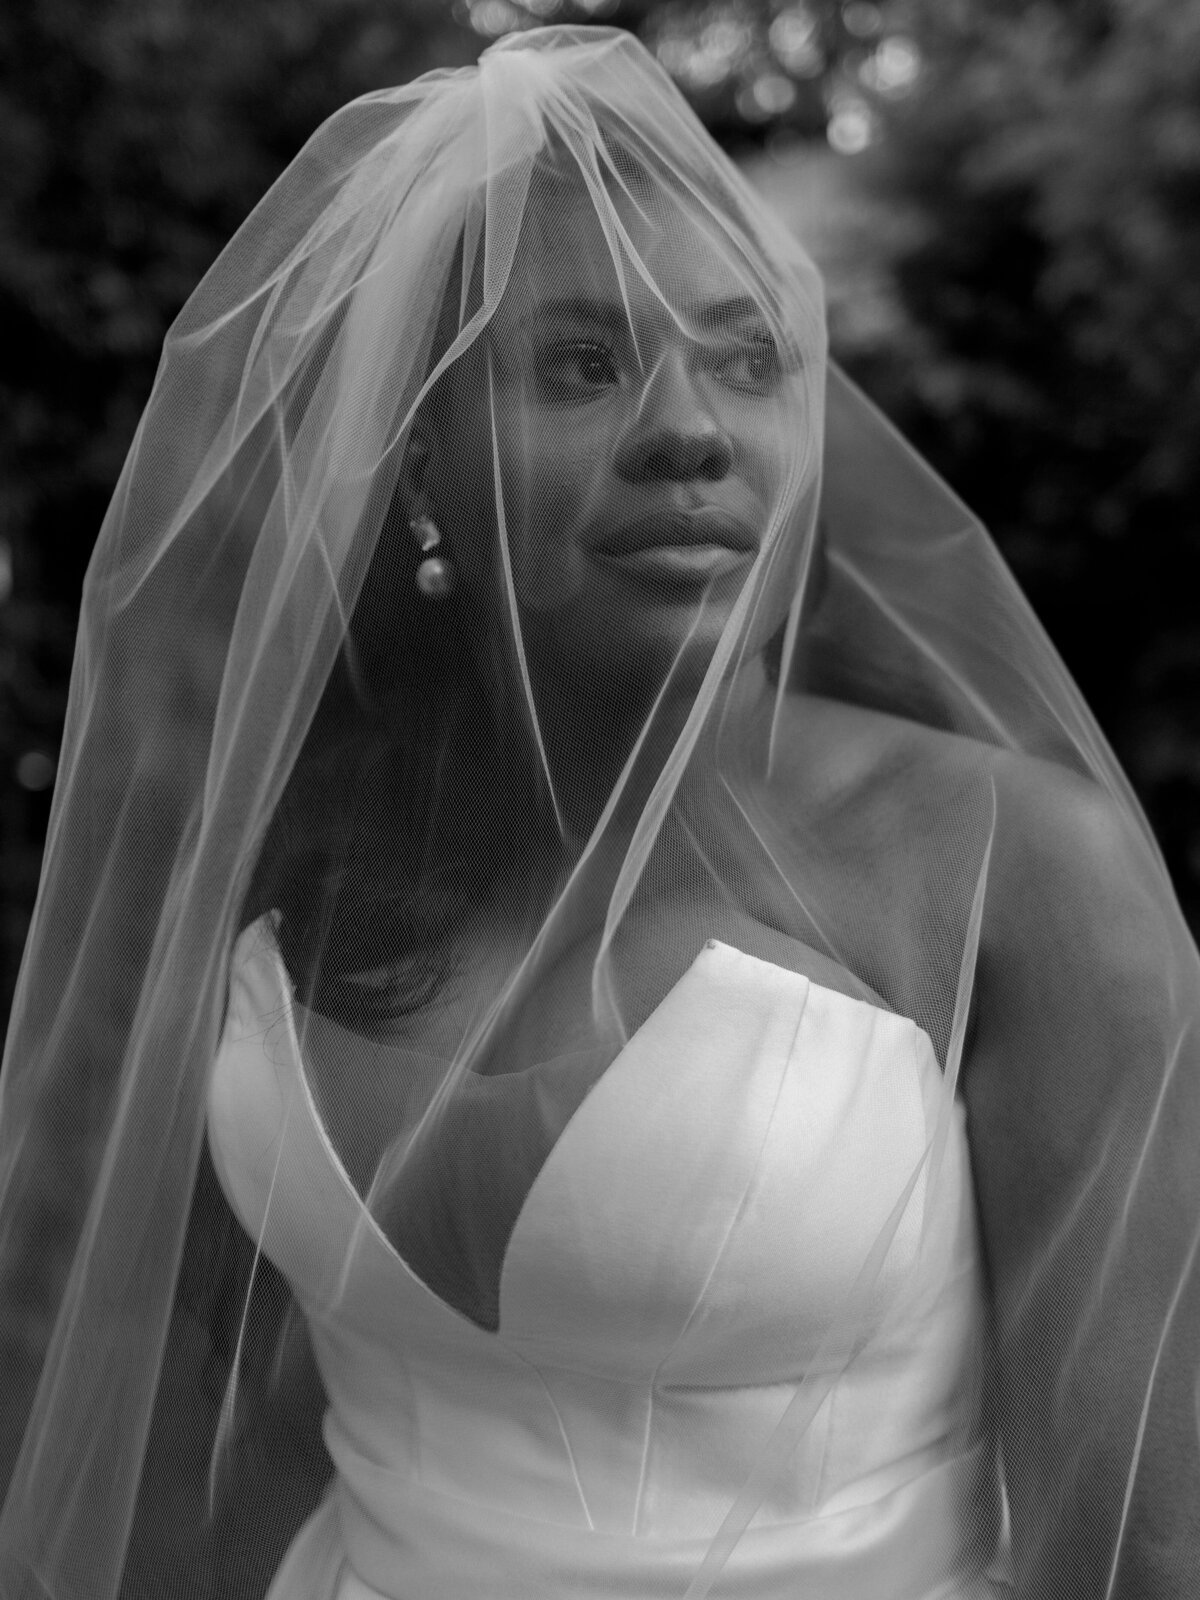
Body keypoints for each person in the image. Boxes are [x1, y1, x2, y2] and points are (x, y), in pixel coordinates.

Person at [0, 24, 1196, 1600]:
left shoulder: (1013, 869)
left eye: (747, 359)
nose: (692, 426)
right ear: (417, 458)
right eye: (583, 362)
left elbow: (1133, 1543)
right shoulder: (282, 845)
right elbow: (202, 1419)